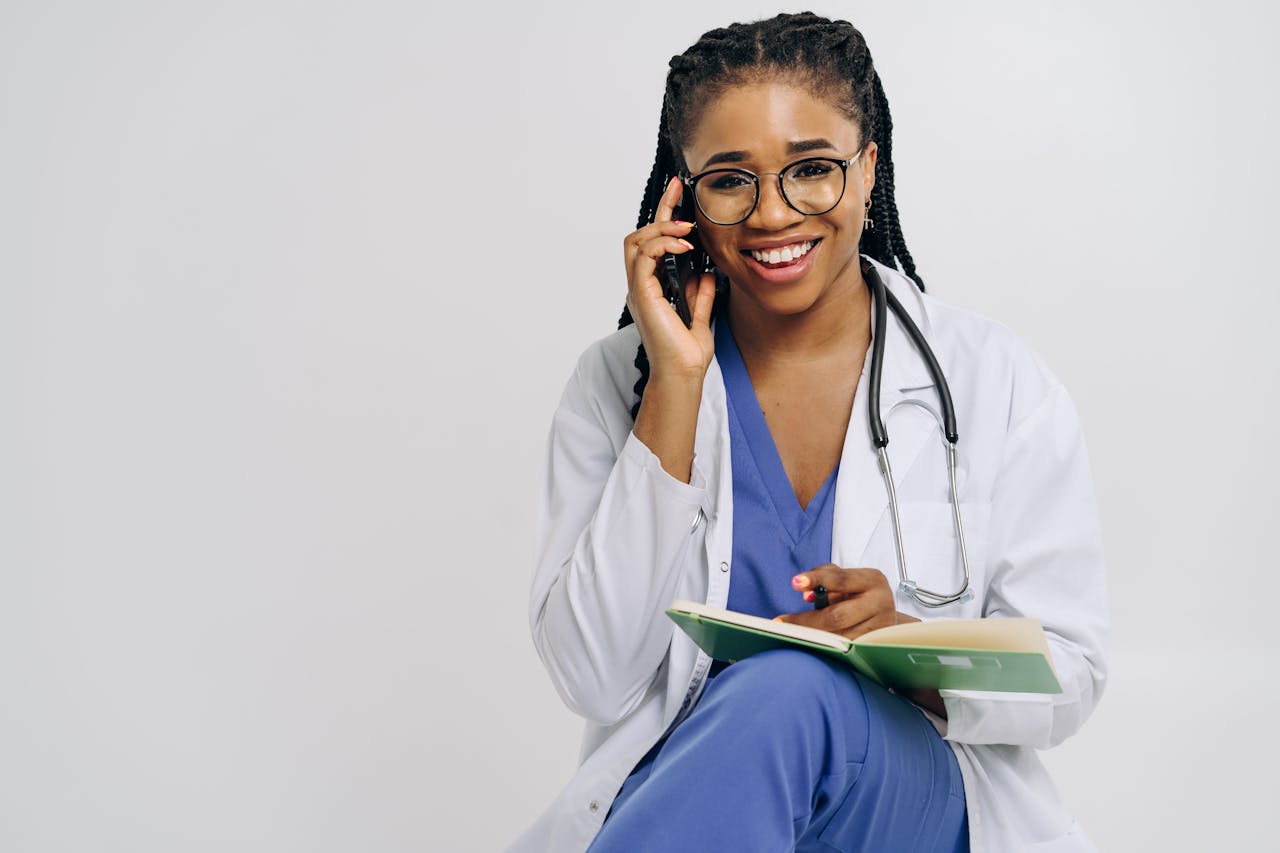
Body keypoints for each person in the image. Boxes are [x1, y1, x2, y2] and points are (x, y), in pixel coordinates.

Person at [514, 12, 1108, 853]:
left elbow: (1071, 674)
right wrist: (676, 385)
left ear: (867, 170)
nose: (772, 214)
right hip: (697, 805)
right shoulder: (620, 383)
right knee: (768, 705)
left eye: (812, 171)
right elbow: (594, 675)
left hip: (906, 801)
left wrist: (907, 644)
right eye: (730, 180)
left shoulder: (993, 380)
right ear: (680, 196)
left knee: (790, 687)